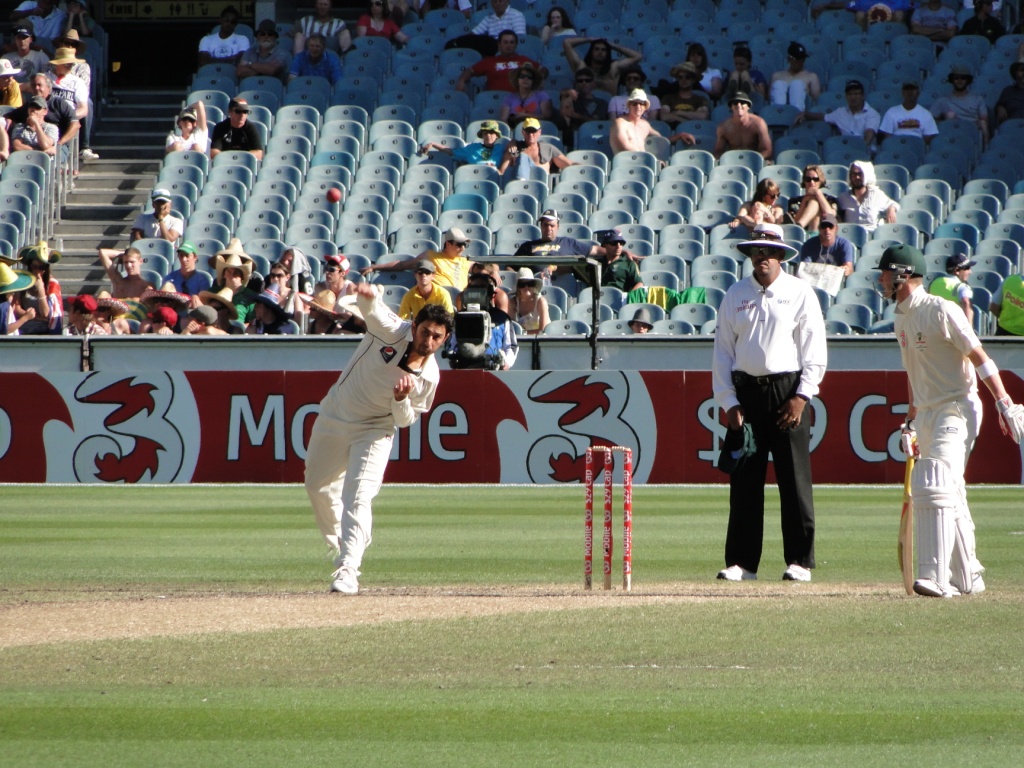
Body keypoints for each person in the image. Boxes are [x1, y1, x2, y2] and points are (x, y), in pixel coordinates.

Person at [876, 244, 1023, 597]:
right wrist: (911, 418)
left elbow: (979, 356)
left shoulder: (941, 309)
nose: (880, 281)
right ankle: (969, 573)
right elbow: (914, 371)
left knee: (935, 479)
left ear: (903, 274)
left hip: (957, 406)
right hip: (926, 411)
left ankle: (936, 577)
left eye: (884, 274)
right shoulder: (901, 316)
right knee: (950, 490)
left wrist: (1005, 403)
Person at [304, 283, 453, 594]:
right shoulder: (394, 329)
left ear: (445, 339)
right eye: (424, 332)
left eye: (436, 336)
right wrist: (367, 297)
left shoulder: (430, 377)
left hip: (376, 430)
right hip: (335, 415)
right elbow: (371, 311)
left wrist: (400, 400)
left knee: (358, 498)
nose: (428, 341)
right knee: (316, 486)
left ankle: (348, 568)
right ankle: (347, 543)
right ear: (414, 326)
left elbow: (407, 420)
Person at [712, 223, 827, 583]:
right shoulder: (735, 294)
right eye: (756, 252)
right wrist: (729, 401)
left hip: (787, 391)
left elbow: (814, 350)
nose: (762, 258)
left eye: (769, 251)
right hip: (746, 393)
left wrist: (802, 395)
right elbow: (722, 354)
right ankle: (743, 563)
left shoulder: (799, 291)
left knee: (794, 480)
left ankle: (800, 561)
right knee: (745, 482)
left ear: (781, 256)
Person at [448, 267, 518, 369]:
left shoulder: (502, 319)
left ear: (490, 293)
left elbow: (511, 346)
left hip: (493, 369)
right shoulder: (459, 318)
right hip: (464, 368)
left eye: (481, 287)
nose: (477, 291)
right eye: (474, 287)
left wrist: (506, 363)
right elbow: (451, 343)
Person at [364, 227, 473, 291]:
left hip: (460, 302)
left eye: (465, 245)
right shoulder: (431, 256)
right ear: (448, 244)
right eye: (459, 244)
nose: (462, 248)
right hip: (437, 301)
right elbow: (404, 265)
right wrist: (375, 267)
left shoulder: (466, 261)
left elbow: (487, 269)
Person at [514, 209, 603, 279]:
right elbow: (510, 266)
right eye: (545, 225)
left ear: (558, 227)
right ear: (541, 226)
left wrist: (612, 250)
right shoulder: (528, 246)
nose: (549, 228)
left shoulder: (568, 243)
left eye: (552, 226)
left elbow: (594, 250)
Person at [795, 80, 880, 153]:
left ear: (862, 96)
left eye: (856, 94)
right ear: (846, 96)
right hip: (845, 150)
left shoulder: (872, 114)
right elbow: (823, 117)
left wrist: (860, 150)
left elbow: (869, 135)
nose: (853, 97)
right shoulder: (840, 112)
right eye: (850, 94)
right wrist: (805, 114)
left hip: (866, 152)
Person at [611, 88, 694, 154]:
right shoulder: (620, 123)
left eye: (642, 103)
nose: (638, 106)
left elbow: (662, 140)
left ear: (645, 107)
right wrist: (650, 160)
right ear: (629, 105)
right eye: (635, 103)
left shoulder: (645, 124)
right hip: (625, 164)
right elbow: (624, 147)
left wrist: (679, 136)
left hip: (644, 165)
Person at [455, 30, 540, 93]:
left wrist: (539, 81)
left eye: (512, 42)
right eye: (505, 42)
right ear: (499, 44)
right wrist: (462, 80)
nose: (509, 45)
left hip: (518, 101)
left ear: (516, 45)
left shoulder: (523, 60)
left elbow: (542, 69)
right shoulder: (490, 61)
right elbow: (470, 71)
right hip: (495, 101)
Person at [496, 116, 575, 179]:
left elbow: (568, 164)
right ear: (523, 132)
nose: (531, 135)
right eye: (528, 131)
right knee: (522, 157)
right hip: (519, 186)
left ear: (539, 132)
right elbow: (502, 172)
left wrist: (583, 167)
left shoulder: (548, 148)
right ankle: (521, 183)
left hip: (540, 185)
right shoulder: (515, 148)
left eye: (533, 131)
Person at [562, 36, 643, 95]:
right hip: (583, 109)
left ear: (607, 53)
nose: (600, 52)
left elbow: (638, 56)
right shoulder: (581, 66)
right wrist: (590, 39)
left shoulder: (614, 68)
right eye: (596, 49)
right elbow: (567, 42)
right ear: (591, 51)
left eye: (603, 50)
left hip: (610, 110)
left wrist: (612, 46)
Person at [930, 66, 990, 147]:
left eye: (963, 78)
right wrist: (944, 123)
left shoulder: (978, 99)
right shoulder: (943, 100)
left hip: (971, 134)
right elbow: (930, 120)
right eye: (956, 78)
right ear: (952, 80)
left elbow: (984, 120)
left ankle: (985, 149)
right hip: (949, 135)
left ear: (968, 80)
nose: (959, 81)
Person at [14, 241, 62, 334]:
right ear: (30, 266)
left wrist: (41, 289)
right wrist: (29, 316)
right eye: (34, 266)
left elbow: (46, 314)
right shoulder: (23, 281)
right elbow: (17, 308)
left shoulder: (52, 284)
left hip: (44, 331)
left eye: (41, 267)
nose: (37, 271)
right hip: (24, 328)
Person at [836, 160, 899, 231]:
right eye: (853, 174)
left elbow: (893, 204)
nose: (857, 177)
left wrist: (891, 209)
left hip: (872, 235)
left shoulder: (876, 195)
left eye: (860, 174)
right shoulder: (843, 197)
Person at [420, 119, 508, 165]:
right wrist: (433, 144)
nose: (488, 136)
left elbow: (513, 154)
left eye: (492, 133)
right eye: (485, 133)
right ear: (482, 136)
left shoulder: (500, 148)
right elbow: (451, 151)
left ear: (497, 135)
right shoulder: (472, 148)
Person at [713, 91, 772, 160]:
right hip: (734, 162)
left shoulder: (758, 124)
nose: (739, 105)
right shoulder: (723, 127)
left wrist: (754, 160)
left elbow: (767, 150)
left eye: (742, 102)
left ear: (748, 106)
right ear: (731, 107)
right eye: (735, 103)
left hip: (754, 162)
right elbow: (718, 151)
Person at [878, 82, 939, 147]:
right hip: (896, 146)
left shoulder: (926, 114)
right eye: (907, 89)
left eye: (913, 89)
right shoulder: (891, 112)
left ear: (918, 92)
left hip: (916, 148)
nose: (910, 92)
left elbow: (929, 136)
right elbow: (887, 136)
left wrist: (913, 144)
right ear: (903, 92)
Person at [770, 42, 821, 112]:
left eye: (802, 59)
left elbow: (817, 100)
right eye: (797, 60)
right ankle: (779, 114)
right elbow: (769, 98)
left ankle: (796, 113)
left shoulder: (811, 76)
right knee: (779, 84)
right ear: (789, 59)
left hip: (802, 115)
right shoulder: (777, 76)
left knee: (798, 84)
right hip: (778, 113)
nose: (801, 62)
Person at [929, 252, 975, 326]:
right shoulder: (963, 287)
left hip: (934, 328)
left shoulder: (934, 283)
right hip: (954, 329)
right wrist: (969, 330)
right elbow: (966, 303)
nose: (970, 272)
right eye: (967, 268)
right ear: (957, 270)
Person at [788, 164, 839, 231]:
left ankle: (800, 226)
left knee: (815, 202)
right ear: (804, 181)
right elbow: (794, 220)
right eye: (808, 179)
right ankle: (799, 226)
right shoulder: (794, 201)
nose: (812, 182)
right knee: (814, 202)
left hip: (823, 233)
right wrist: (804, 201)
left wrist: (818, 194)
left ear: (820, 181)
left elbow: (831, 217)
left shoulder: (830, 199)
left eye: (815, 179)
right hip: (801, 234)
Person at [659, 62, 711, 127]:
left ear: (693, 80)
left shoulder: (701, 99)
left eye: (687, 77)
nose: (683, 80)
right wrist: (686, 120)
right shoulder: (668, 98)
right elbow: (664, 116)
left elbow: (703, 116)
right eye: (680, 77)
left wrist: (678, 113)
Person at [1, 25, 49, 93]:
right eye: (19, 38)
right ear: (15, 40)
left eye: (25, 37)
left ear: (31, 39)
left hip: (33, 98)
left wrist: (20, 87)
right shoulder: (6, 58)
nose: (22, 41)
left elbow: (47, 79)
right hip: (11, 96)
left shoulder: (41, 57)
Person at [558, 67, 607, 133]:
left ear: (593, 83)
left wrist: (576, 116)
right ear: (576, 83)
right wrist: (567, 91)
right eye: (580, 81)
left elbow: (595, 122)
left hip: (594, 133)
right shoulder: (572, 99)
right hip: (574, 133)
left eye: (588, 80)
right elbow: (564, 112)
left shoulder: (601, 102)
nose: (584, 83)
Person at [507, 267, 549, 334]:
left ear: (534, 285)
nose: (526, 287)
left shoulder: (541, 302)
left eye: (530, 284)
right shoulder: (513, 302)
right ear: (518, 287)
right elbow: (511, 328)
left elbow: (543, 330)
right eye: (522, 285)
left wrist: (523, 333)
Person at [995, 61, 1024, 126]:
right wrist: (1000, 108)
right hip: (1013, 127)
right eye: (1022, 70)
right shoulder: (1008, 91)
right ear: (1016, 73)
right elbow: (998, 106)